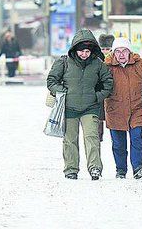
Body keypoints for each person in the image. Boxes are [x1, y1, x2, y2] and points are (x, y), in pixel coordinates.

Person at [47, 29, 113, 180]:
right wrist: (63, 91)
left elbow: (108, 82)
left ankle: (95, 167)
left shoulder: (98, 64)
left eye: (87, 51)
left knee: (92, 137)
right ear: (75, 49)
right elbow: (51, 81)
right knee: (70, 140)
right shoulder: (63, 62)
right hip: (69, 108)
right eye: (81, 51)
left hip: (90, 108)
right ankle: (71, 168)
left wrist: (98, 96)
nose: (84, 54)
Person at [104, 37, 142, 179]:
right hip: (114, 109)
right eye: (118, 51)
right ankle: (121, 170)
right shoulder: (107, 66)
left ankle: (138, 167)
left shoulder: (140, 65)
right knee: (118, 144)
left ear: (130, 52)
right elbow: (99, 86)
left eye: (124, 51)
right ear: (113, 53)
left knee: (136, 138)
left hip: (136, 108)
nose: (121, 54)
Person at [96, 34, 116, 142]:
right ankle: (99, 137)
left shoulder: (115, 57)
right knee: (99, 117)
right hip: (99, 91)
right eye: (102, 49)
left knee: (112, 116)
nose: (105, 51)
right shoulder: (96, 58)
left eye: (107, 49)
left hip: (112, 92)